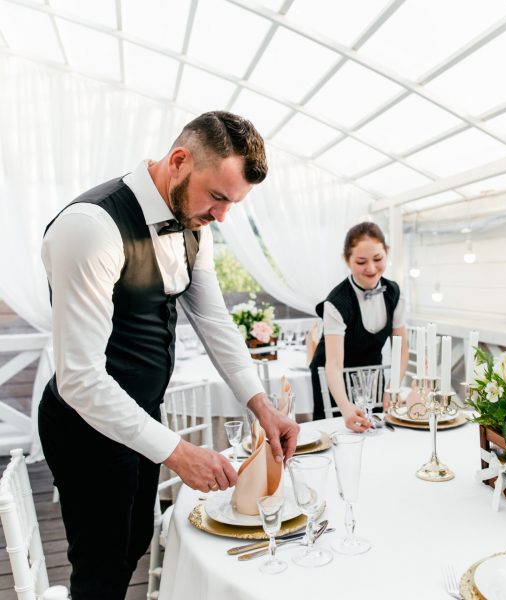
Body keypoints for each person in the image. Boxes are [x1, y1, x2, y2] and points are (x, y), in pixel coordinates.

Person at [38, 111, 299, 600]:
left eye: (233, 203)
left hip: (141, 417)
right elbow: (80, 380)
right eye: (218, 197)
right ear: (179, 161)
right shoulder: (90, 228)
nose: (222, 216)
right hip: (85, 428)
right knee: (99, 569)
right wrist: (179, 452)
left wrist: (260, 405)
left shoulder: (193, 222)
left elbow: (214, 320)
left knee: (134, 544)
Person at [309, 221, 408, 432]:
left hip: (372, 377)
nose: (371, 268)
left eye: (378, 259)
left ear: (387, 253)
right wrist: (345, 406)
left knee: (378, 432)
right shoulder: (336, 303)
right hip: (334, 380)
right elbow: (333, 364)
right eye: (361, 261)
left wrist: (393, 387)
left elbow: (402, 350)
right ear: (347, 259)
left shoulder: (394, 294)